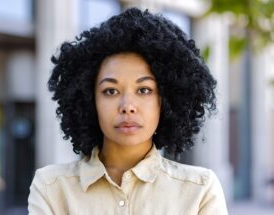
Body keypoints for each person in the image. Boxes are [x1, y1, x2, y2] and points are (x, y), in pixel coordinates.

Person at [28, 8, 228, 214]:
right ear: (89, 100)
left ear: (165, 100)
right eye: (111, 91)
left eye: (144, 90)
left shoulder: (200, 190)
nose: (127, 106)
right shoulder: (51, 187)